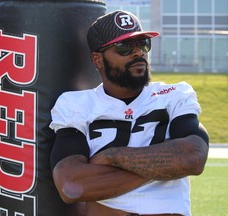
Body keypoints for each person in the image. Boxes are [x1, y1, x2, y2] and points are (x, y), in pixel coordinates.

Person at [49, 10, 209, 216]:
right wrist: (166, 164)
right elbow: (71, 185)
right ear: (97, 59)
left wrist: (111, 157)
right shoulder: (75, 103)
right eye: (124, 47)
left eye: (143, 44)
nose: (138, 52)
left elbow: (193, 157)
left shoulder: (174, 94)